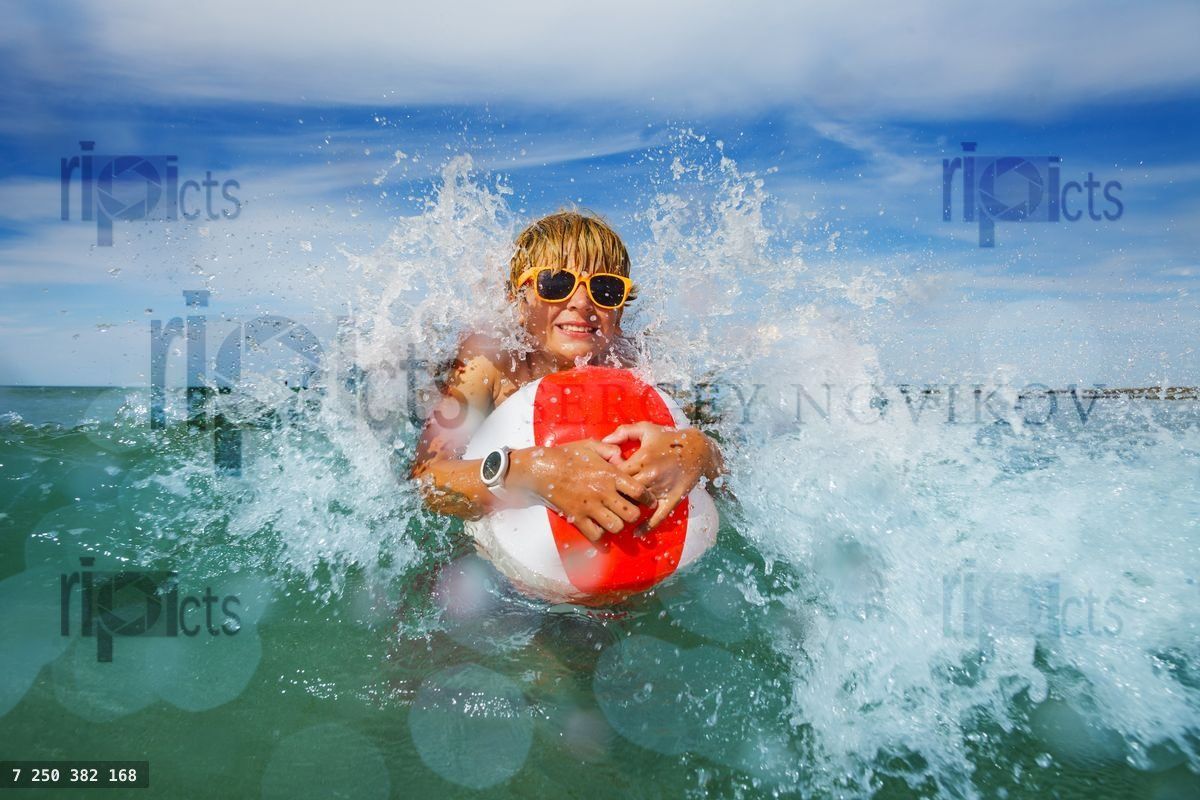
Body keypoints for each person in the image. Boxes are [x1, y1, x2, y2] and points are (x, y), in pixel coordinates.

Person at [409, 210, 725, 545]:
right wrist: (527, 471)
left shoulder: (638, 364)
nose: (582, 302)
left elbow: (726, 470)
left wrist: (698, 452)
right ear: (519, 299)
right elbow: (426, 479)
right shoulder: (492, 359)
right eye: (555, 283)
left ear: (619, 311)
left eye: (605, 289)